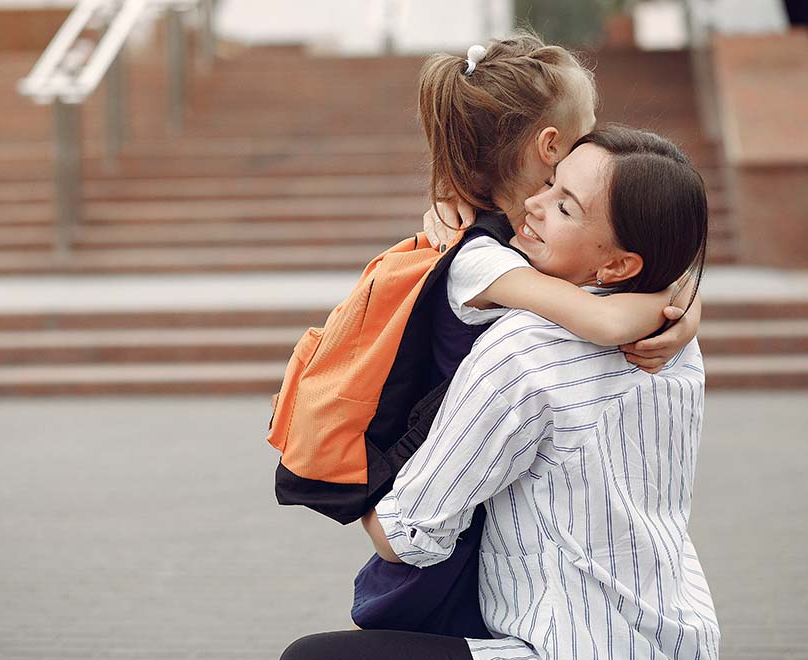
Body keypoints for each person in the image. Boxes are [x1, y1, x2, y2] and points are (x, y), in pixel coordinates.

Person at [283, 126, 718, 660]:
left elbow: (409, 537)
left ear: (618, 266)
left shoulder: (523, 349)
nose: (533, 203)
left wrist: (347, 481)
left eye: (565, 207)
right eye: (551, 182)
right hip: (680, 637)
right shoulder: (672, 338)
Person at [347, 36, 702, 639]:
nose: (598, 135)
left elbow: (619, 276)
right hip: (450, 488)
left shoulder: (532, 250)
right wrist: (676, 309)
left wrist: (682, 300)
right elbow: (606, 319)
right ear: (551, 145)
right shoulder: (483, 257)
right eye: (589, 127)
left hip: (481, 490)